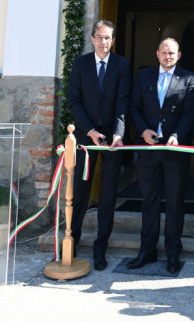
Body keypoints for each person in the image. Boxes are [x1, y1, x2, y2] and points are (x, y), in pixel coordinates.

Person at [128, 38, 194, 274]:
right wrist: (142, 131)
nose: (168, 56)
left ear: (179, 55)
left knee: (175, 202)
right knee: (149, 201)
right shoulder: (144, 76)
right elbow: (134, 107)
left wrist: (177, 135)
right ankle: (147, 251)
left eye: (172, 53)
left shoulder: (188, 78)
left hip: (175, 151)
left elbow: (189, 113)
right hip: (148, 150)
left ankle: (173, 253)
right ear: (157, 53)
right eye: (164, 52)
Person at [67, 20, 131, 271]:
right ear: (92, 38)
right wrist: (90, 131)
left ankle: (100, 248)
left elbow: (122, 102)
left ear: (113, 41)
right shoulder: (80, 64)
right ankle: (71, 242)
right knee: (80, 192)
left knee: (107, 195)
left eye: (108, 38)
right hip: (86, 137)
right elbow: (74, 101)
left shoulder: (122, 65)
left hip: (113, 140)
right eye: (100, 37)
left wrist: (118, 134)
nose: (104, 42)